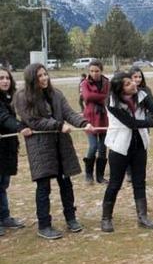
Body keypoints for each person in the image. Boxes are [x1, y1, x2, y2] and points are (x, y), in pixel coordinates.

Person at [14, 63, 94, 239]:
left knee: (66, 183)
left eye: (45, 74)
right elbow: (33, 121)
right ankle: (44, 225)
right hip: (40, 147)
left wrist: (83, 123)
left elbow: (68, 112)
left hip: (61, 145)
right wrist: (58, 125)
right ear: (31, 79)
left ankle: (71, 218)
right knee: (43, 187)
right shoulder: (22, 97)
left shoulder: (56, 94)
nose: (44, 78)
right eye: (39, 76)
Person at [100, 72, 153, 232]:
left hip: (139, 146)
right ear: (120, 89)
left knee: (139, 181)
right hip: (119, 148)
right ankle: (106, 218)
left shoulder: (141, 95)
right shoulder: (112, 103)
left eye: (132, 81)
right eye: (128, 83)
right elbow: (131, 123)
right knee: (115, 184)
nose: (134, 84)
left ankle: (142, 217)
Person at [0, 67, 31, 236]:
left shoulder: (8, 98)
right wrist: (20, 127)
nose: (5, 81)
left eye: (7, 78)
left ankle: (4, 217)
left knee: (3, 184)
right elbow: (3, 118)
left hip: (7, 148)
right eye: (1, 78)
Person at [80, 59, 110, 184]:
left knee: (103, 148)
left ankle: (100, 176)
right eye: (92, 71)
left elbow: (108, 97)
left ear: (101, 71)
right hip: (90, 119)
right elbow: (87, 97)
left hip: (103, 118)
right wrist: (101, 97)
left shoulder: (107, 82)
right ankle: (88, 174)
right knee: (93, 146)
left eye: (97, 71)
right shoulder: (85, 83)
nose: (94, 73)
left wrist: (98, 97)